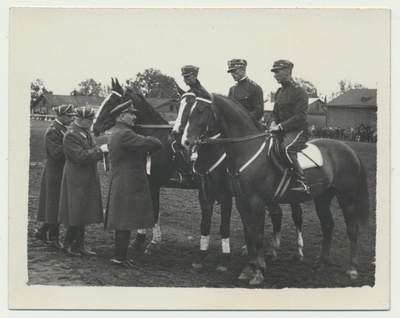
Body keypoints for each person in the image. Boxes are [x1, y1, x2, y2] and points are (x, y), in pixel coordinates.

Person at [104, 100, 163, 268]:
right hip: (127, 181)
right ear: (122, 115)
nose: (135, 116)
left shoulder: (117, 132)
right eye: (132, 113)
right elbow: (155, 143)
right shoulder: (125, 134)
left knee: (124, 219)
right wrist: (150, 136)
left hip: (121, 179)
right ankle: (119, 257)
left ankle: (120, 256)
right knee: (124, 220)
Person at [58, 106, 107, 256]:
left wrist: (97, 150)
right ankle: (67, 244)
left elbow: (91, 149)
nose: (92, 123)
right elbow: (80, 156)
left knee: (83, 209)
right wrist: (100, 151)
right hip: (76, 178)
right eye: (90, 120)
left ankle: (79, 245)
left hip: (85, 176)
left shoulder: (84, 132)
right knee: (76, 210)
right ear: (82, 119)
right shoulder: (71, 135)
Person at [34, 104, 75, 249]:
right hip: (54, 172)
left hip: (60, 171)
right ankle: (53, 238)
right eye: (69, 116)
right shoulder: (53, 131)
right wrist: (74, 149)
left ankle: (42, 230)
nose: (71, 119)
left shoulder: (62, 129)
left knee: (56, 203)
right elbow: (56, 153)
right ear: (60, 115)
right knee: (54, 204)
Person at [268, 59, 310, 193]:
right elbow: (274, 113)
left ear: (287, 71)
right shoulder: (279, 92)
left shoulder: (300, 91)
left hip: (298, 130)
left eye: (277, 71)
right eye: (274, 72)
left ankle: (301, 181)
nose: (274, 75)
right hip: (280, 130)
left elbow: (300, 117)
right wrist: (273, 121)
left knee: (286, 149)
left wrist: (279, 127)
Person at [169, 65, 207, 185]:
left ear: (195, 76)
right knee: (172, 143)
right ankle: (180, 172)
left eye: (187, 77)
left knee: (176, 143)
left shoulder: (200, 90)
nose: (185, 80)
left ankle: (184, 174)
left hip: (198, 128)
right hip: (188, 127)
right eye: (184, 77)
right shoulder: (188, 93)